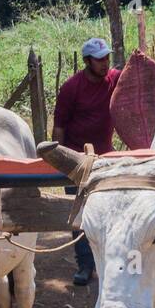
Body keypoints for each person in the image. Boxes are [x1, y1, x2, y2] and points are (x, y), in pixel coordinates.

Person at [52, 37, 121, 286]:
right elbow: (58, 127)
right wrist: (61, 160)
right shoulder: (71, 88)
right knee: (80, 212)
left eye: (106, 58)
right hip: (77, 159)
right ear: (87, 61)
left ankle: (108, 261)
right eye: (99, 59)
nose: (105, 63)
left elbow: (134, 79)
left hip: (106, 157)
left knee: (108, 210)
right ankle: (84, 265)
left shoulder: (113, 79)